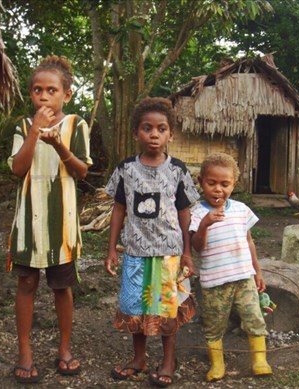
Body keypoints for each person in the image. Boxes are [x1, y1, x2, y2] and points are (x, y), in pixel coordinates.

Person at [7, 55, 92, 384]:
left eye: (51, 90)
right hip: (29, 225)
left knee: (62, 287)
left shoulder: (76, 126)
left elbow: (82, 171)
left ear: (66, 95)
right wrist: (36, 133)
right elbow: (18, 169)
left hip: (62, 226)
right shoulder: (23, 127)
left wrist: (59, 146)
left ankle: (64, 348)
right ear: (31, 94)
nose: (44, 96)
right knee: (26, 283)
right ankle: (25, 351)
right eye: (37, 90)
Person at [104, 97, 199, 387]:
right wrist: (111, 248)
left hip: (169, 254)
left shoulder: (178, 171)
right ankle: (139, 358)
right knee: (136, 307)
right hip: (134, 252)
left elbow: (185, 213)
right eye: (147, 128)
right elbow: (119, 208)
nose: (154, 134)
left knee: (168, 309)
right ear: (136, 133)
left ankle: (169, 360)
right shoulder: (125, 170)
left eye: (161, 129)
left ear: (170, 134)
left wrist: (187, 252)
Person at [189, 152, 272, 382]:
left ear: (234, 184)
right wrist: (205, 224)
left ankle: (259, 360)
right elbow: (197, 247)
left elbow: (249, 241)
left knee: (254, 317)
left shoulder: (241, 210)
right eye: (211, 183)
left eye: (225, 184)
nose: (218, 189)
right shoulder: (197, 213)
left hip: (243, 276)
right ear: (201, 182)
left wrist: (257, 271)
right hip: (214, 282)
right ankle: (217, 364)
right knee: (214, 324)